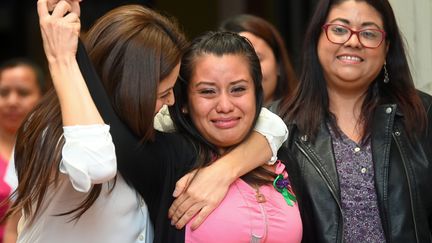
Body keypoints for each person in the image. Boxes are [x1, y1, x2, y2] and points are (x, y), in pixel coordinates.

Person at [9, 1, 288, 243]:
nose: (169, 103)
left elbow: (273, 125)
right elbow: (95, 164)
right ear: (131, 89)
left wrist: (225, 169)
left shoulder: (153, 131)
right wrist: (64, 61)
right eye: (162, 93)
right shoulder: (55, 128)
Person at [80, 29, 301, 242]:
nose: (225, 106)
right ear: (184, 102)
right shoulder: (172, 158)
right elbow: (114, 137)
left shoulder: (281, 156)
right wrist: (70, 53)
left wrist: (226, 170)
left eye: (238, 89)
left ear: (257, 94)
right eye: (207, 91)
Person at [276, 0, 432, 242]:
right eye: (339, 30)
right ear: (317, 37)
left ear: (387, 48)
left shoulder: (423, 115)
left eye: (369, 33)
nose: (353, 41)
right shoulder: (280, 126)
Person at [0, 58, 45, 243]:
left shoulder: (51, 150)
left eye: (23, 93)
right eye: (3, 93)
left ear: (43, 97)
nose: (12, 101)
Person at [219, 14, 297, 106]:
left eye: (257, 59)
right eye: (234, 63)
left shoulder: (303, 118)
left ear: (278, 64)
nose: (249, 73)